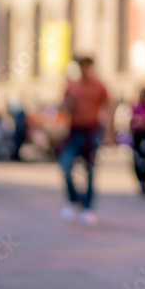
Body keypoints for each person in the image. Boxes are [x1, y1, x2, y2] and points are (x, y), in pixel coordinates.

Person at [58, 57, 111, 226]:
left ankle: (88, 207)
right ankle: (73, 199)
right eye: (82, 67)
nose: (84, 70)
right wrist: (68, 105)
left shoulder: (100, 87)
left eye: (87, 67)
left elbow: (108, 109)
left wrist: (109, 133)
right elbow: (62, 108)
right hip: (75, 131)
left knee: (89, 170)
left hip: (92, 131)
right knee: (65, 165)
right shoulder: (72, 86)